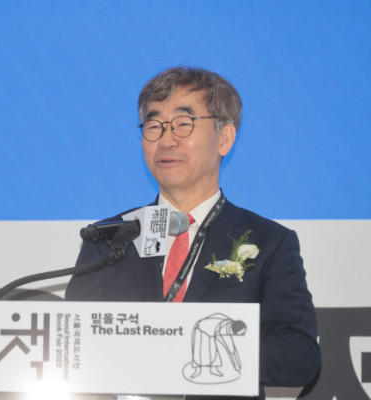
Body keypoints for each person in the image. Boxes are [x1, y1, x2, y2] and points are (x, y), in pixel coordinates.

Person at [65, 67, 320, 400]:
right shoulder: (109, 238)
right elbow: (73, 344)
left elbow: (300, 354)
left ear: (224, 138)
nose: (166, 140)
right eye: (154, 126)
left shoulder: (269, 242)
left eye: (183, 124)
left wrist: (190, 346)